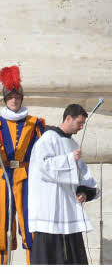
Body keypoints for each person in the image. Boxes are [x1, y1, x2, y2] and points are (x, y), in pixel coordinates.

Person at [26, 103, 99, 265]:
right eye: (79, 123)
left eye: (83, 124)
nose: (81, 127)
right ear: (68, 118)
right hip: (49, 209)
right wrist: (68, 160)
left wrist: (85, 192)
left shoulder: (72, 144)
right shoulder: (48, 139)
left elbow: (81, 173)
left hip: (68, 209)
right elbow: (42, 167)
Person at [0, 66, 46, 265]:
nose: (14, 99)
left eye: (17, 96)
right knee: (1, 228)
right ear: (5, 99)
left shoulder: (36, 123)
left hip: (28, 178)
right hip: (2, 178)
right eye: (10, 96)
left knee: (30, 229)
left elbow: (44, 153)